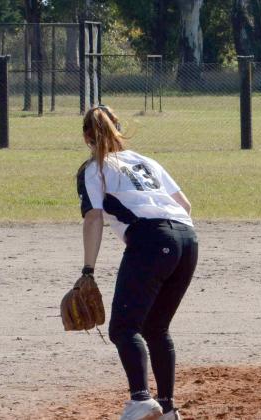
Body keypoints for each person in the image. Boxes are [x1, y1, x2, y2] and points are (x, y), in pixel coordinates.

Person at [76, 105, 197, 420]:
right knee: (156, 327)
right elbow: (184, 204)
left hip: (151, 240)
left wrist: (88, 270)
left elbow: (93, 218)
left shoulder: (94, 168)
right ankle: (168, 409)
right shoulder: (146, 161)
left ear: (88, 138)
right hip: (187, 240)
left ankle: (141, 400)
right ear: (118, 127)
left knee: (124, 328)